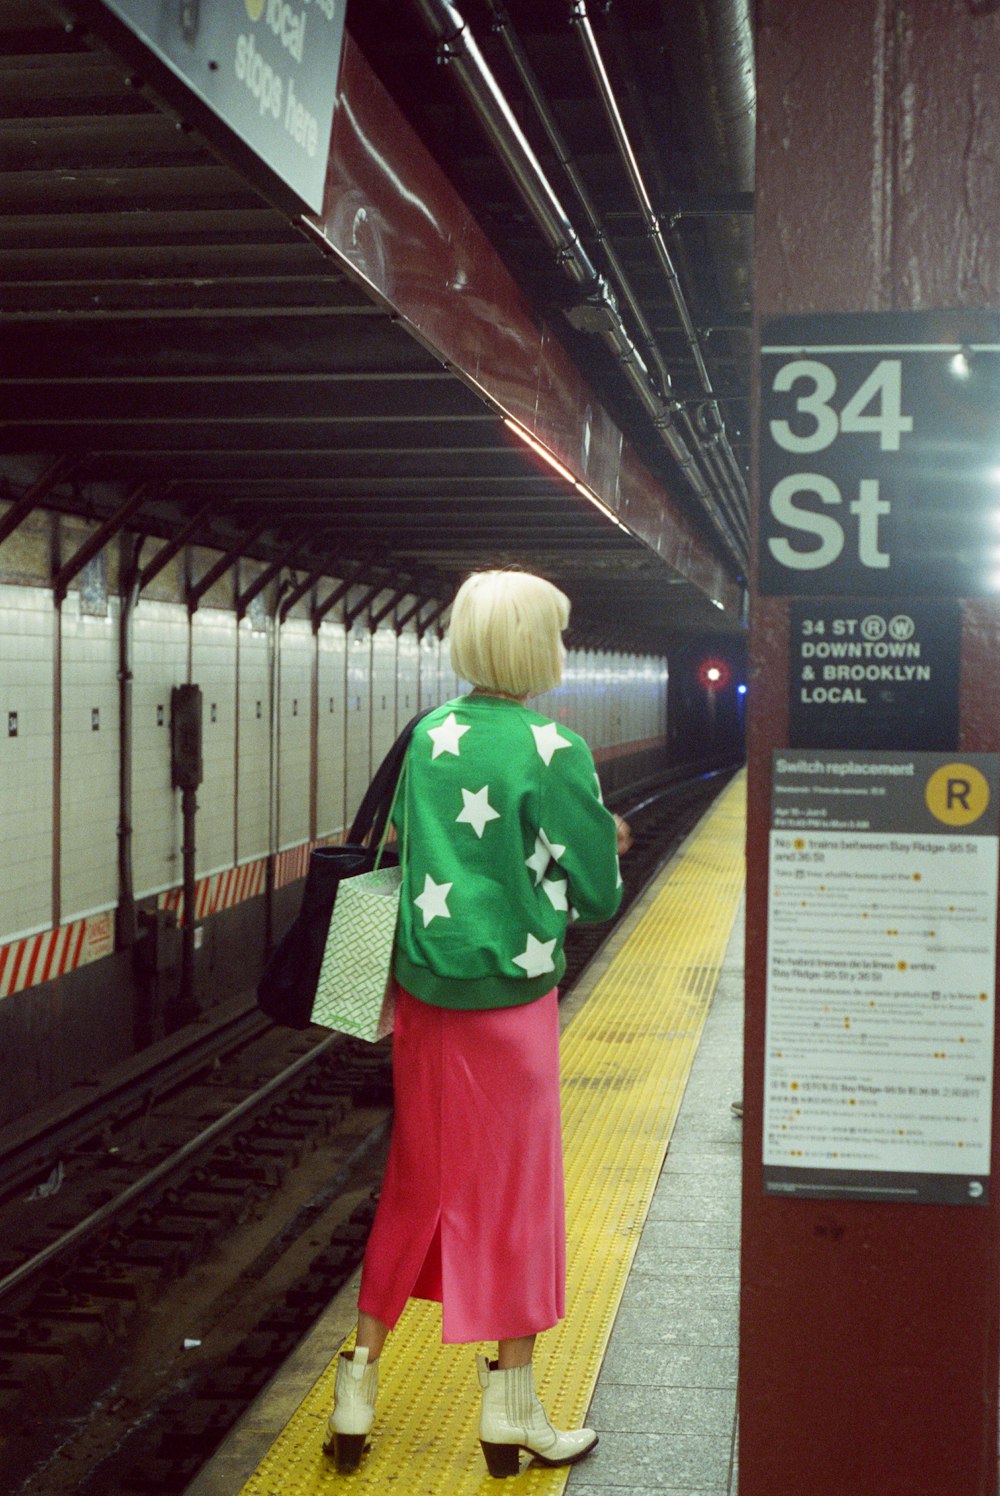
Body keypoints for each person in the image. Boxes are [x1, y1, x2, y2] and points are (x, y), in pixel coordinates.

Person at [324, 568, 632, 1479]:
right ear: (536, 647)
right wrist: (600, 842)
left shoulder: (428, 736)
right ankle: (513, 1414)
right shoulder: (553, 747)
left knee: (417, 1182)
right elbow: (597, 894)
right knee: (516, 1199)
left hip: (424, 999)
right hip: (509, 1011)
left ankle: (356, 1385)